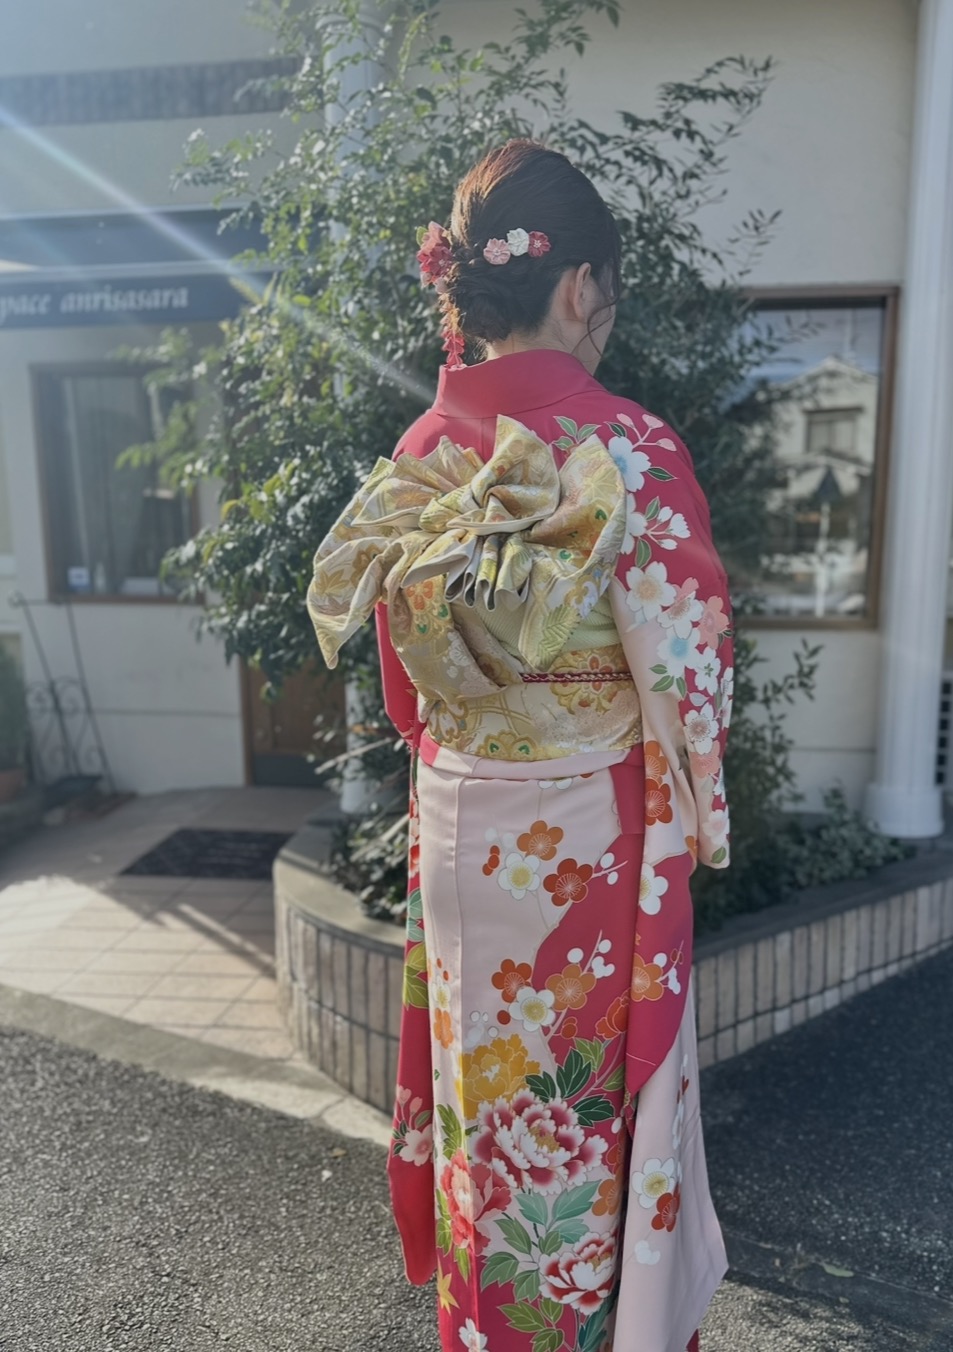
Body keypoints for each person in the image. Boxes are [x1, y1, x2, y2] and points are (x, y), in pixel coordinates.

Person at [308, 140, 733, 1352]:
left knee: (481, 1109)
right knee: (574, 1119)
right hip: (580, 853)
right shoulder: (628, 449)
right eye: (608, 291)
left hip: (460, 832)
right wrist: (690, 800)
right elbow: (687, 681)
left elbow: (406, 693)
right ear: (580, 284)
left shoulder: (419, 455)